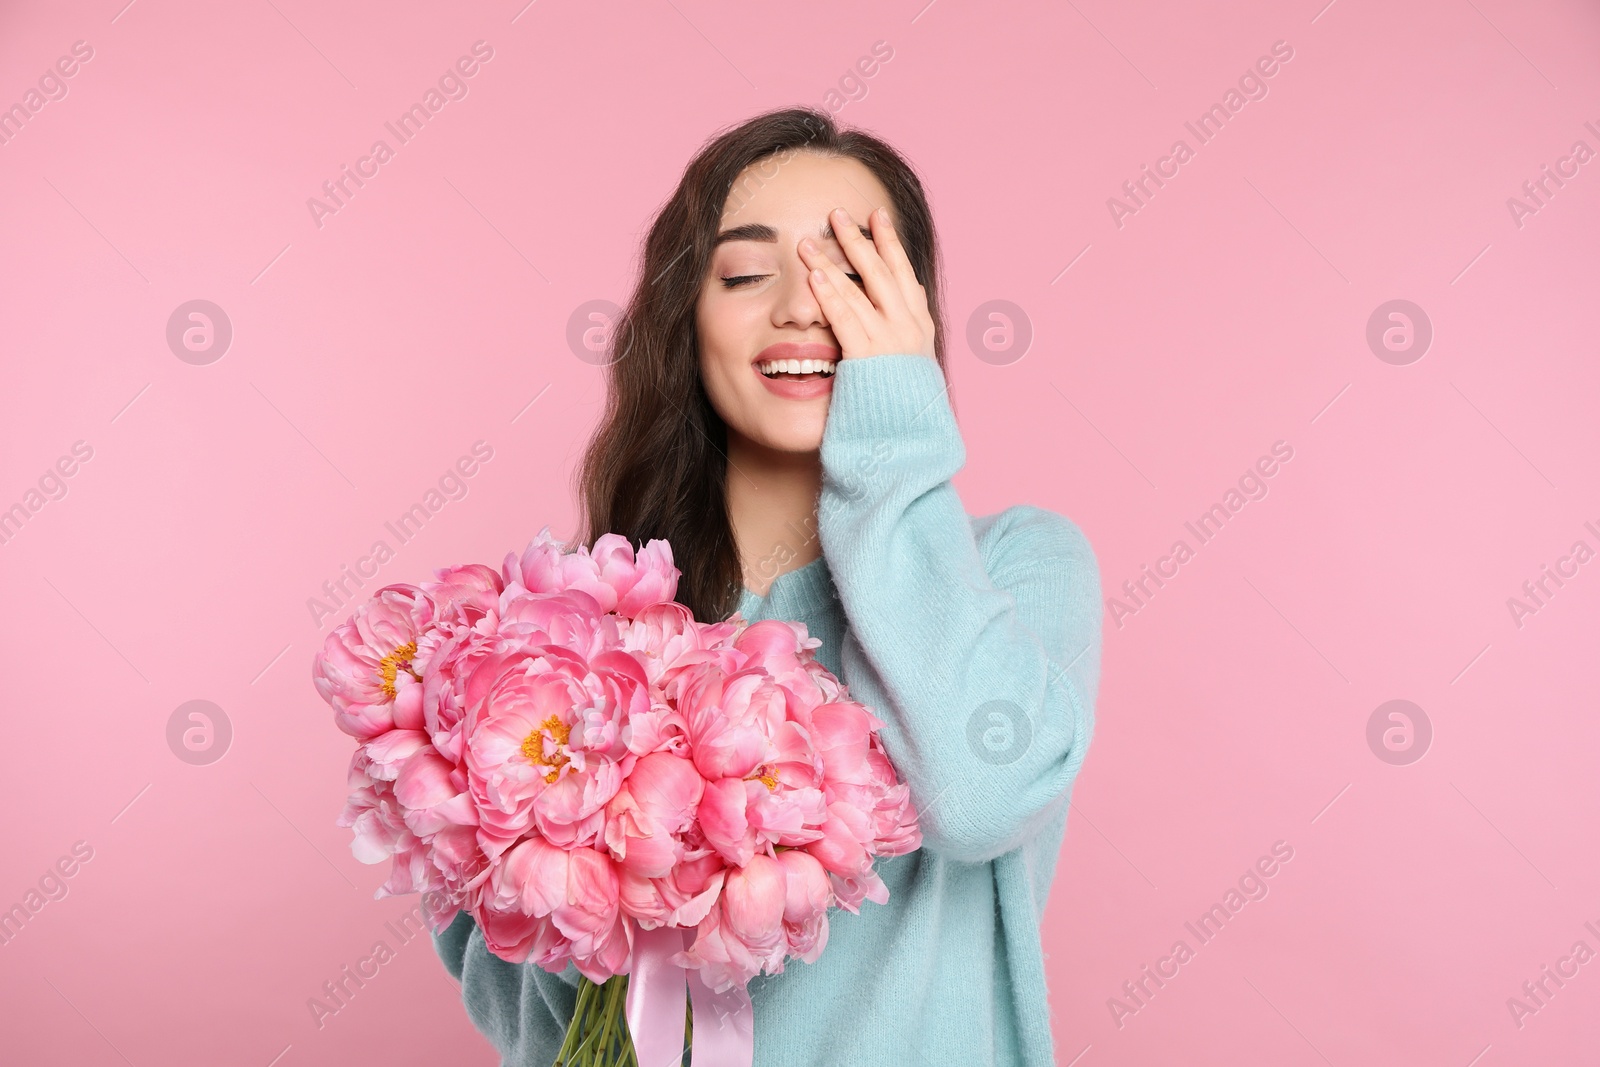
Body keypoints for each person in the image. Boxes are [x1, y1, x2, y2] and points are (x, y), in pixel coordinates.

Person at [431, 105, 1102, 1067]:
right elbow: (530, 1021)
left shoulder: (1017, 569)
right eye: (747, 274)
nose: (802, 306)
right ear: (685, 321)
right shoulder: (574, 641)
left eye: (853, 273)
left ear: (912, 317)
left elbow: (977, 796)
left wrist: (897, 439)